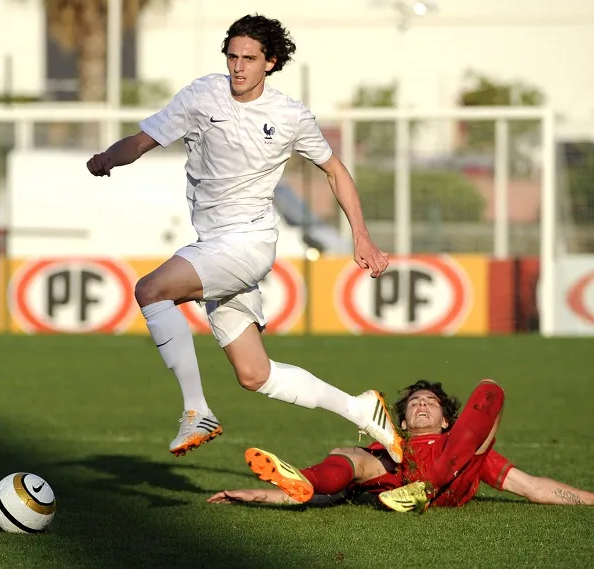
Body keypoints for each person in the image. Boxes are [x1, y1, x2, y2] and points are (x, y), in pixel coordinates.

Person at [86, 13, 396, 459]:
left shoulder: (290, 116)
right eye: (232, 56)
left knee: (151, 290)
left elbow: (335, 170)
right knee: (255, 374)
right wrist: (106, 158)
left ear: (270, 62)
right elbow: (143, 140)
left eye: (249, 58)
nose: (238, 67)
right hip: (214, 243)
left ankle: (196, 410)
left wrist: (361, 237)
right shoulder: (202, 95)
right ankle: (362, 410)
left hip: (247, 243)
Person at [208, 379, 594, 510]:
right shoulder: (390, 452)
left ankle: (427, 487)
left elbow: (533, 487)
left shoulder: (466, 445)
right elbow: (319, 496)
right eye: (414, 403)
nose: (422, 404)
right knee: (351, 456)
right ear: (404, 421)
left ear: (445, 418)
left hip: (450, 470)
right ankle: (304, 474)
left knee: (490, 390)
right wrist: (253, 495)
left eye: (431, 402)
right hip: (403, 482)